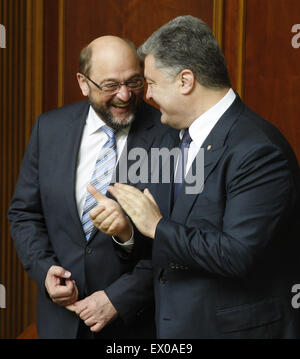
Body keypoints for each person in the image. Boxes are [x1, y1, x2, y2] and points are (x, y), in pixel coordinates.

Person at [108, 16, 300, 338]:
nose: (148, 96)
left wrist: (155, 224)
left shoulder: (259, 150)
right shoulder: (174, 138)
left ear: (186, 81)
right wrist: (127, 229)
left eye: (151, 83)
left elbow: (237, 254)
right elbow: (170, 232)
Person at [8, 35, 169, 339]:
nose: (125, 95)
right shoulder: (49, 129)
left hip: (134, 327)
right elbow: (24, 214)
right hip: (59, 324)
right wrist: (45, 271)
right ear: (83, 83)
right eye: (110, 85)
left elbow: (178, 241)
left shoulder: (168, 136)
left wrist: (118, 297)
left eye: (134, 81)